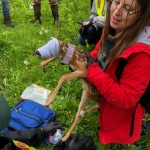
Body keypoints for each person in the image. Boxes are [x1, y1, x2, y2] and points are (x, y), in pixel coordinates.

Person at [81, 0, 150, 145]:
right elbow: (98, 53)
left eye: (127, 9)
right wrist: (78, 59)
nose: (116, 12)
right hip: (108, 96)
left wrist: (92, 70)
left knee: (119, 138)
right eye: (116, 2)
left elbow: (126, 98)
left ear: (142, 15)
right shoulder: (114, 30)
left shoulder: (142, 55)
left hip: (124, 112)